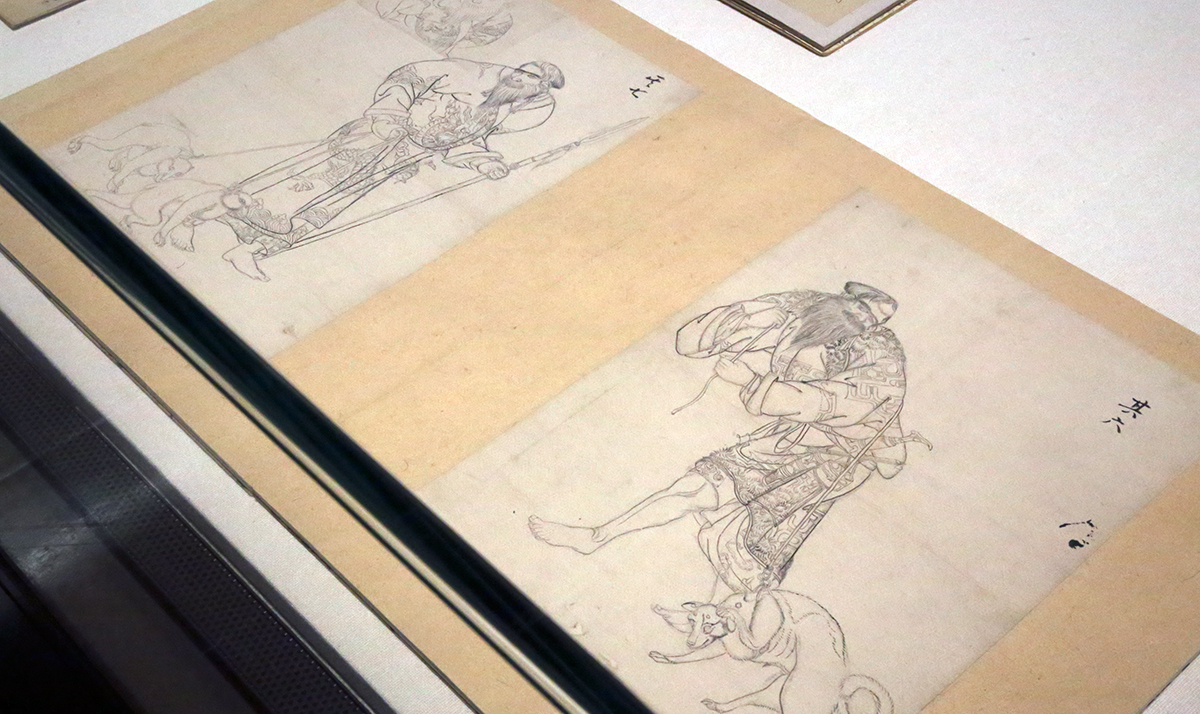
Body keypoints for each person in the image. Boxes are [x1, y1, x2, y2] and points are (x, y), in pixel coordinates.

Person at [530, 282, 929, 596]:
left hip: (838, 456)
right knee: (697, 486)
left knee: (744, 540)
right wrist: (721, 331)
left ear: (873, 328)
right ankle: (596, 537)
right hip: (788, 437)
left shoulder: (881, 358)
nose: (857, 318)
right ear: (843, 299)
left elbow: (831, 404)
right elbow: (725, 326)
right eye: (856, 307)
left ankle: (728, 615)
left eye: (866, 318)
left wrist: (750, 380)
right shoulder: (808, 307)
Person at [218, 57, 566, 274]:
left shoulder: (501, 109)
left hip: (402, 158)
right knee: (307, 180)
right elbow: (406, 78)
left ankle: (250, 250)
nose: (520, 79)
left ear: (538, 91)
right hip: (377, 135)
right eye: (523, 71)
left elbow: (462, 139)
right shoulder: (466, 72)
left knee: (332, 205)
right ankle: (212, 212)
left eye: (531, 81)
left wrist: (483, 163)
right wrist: (389, 115)